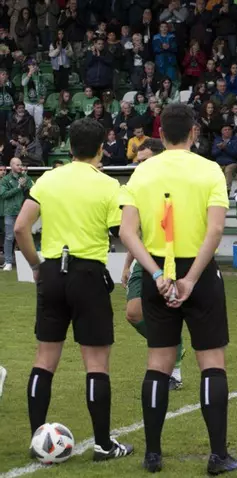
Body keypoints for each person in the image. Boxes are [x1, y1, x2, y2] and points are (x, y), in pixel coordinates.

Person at [118, 104, 237, 474]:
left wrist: (157, 273)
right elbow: (216, 230)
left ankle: (152, 455)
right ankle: (218, 456)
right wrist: (191, 278)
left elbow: (126, 232)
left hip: (157, 271)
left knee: (158, 363)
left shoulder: (142, 171)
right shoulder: (209, 169)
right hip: (198, 272)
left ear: (160, 133)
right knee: (212, 361)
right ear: (193, 133)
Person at [14, 118, 134, 461]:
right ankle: (103, 445)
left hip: (53, 272)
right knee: (96, 363)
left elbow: (21, 228)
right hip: (88, 274)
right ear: (102, 149)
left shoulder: (48, 179)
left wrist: (36, 265)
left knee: (44, 358)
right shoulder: (109, 185)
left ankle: (37, 441)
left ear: (69, 147)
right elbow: (123, 233)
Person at [120, 138, 185, 391]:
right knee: (133, 313)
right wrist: (127, 264)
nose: (140, 166)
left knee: (171, 311)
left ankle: (174, 371)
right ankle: (173, 344)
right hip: (144, 260)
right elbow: (133, 231)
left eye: (145, 161)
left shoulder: (176, 185)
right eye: (138, 162)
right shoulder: (138, 187)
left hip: (173, 259)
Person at [0, 157, 32, 271]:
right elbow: (4, 195)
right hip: (10, 211)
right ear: (12, 165)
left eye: (21, 164)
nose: (20, 167)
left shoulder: (24, 177)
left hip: (22, 211)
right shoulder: (5, 179)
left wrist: (26, 181)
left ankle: (26, 262)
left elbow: (33, 189)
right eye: (18, 165)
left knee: (24, 236)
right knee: (9, 237)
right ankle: (8, 262)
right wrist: (18, 188)